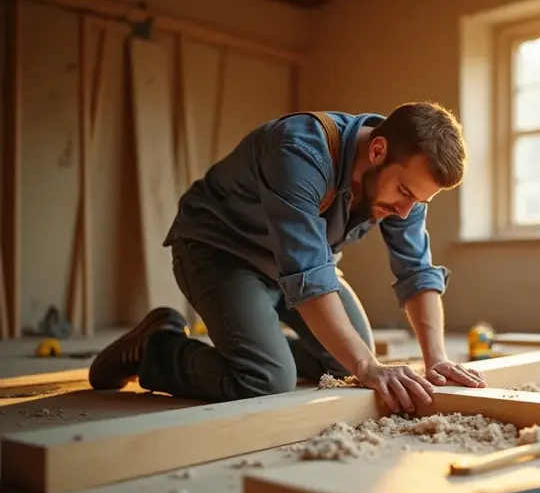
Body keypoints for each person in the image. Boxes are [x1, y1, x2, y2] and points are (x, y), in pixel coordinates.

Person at [88, 102, 488, 413]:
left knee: (346, 359)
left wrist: (435, 358)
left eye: (418, 201)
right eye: (404, 193)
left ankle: (256, 343)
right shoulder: (300, 151)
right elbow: (308, 276)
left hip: (290, 266)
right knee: (267, 378)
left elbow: (416, 271)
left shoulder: (406, 182)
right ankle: (156, 347)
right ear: (378, 150)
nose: (406, 210)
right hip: (221, 252)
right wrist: (368, 367)